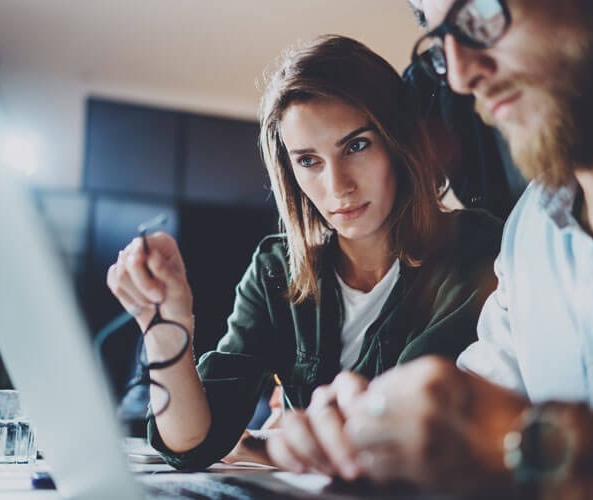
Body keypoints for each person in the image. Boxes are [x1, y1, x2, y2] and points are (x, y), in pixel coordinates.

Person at [267, 1, 593, 498]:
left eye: (480, 12)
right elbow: (475, 409)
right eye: (441, 41)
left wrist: (546, 446)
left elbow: (506, 437)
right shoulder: (529, 232)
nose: (461, 77)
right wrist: (374, 432)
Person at [106, 34, 502, 471]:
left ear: (399, 142)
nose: (338, 186)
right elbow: (191, 444)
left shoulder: (473, 247)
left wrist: (266, 447)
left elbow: (396, 425)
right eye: (309, 161)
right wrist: (165, 325)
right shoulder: (276, 270)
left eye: (357, 145)